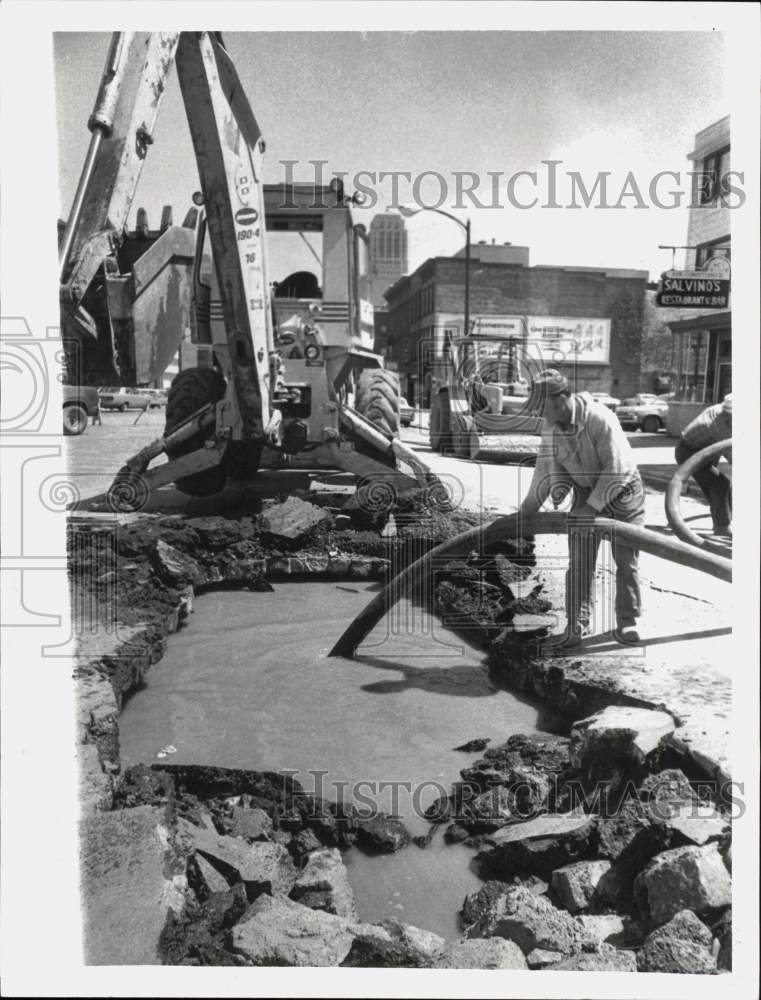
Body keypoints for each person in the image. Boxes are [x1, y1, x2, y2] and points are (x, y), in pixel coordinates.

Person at [518, 369, 646, 648]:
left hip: (623, 491)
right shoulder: (551, 427)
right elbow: (545, 469)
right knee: (580, 561)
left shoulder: (599, 419)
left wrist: (591, 509)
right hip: (587, 491)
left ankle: (628, 621)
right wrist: (529, 509)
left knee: (625, 561)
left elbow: (617, 469)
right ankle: (576, 623)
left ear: (562, 400)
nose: (542, 414)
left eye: (545, 407)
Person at [674, 394, 732, 537]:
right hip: (689, 453)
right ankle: (722, 527)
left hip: (704, 451)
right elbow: (733, 454)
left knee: (716, 489)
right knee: (721, 485)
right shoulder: (721, 425)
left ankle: (723, 521)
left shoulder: (721, 409)